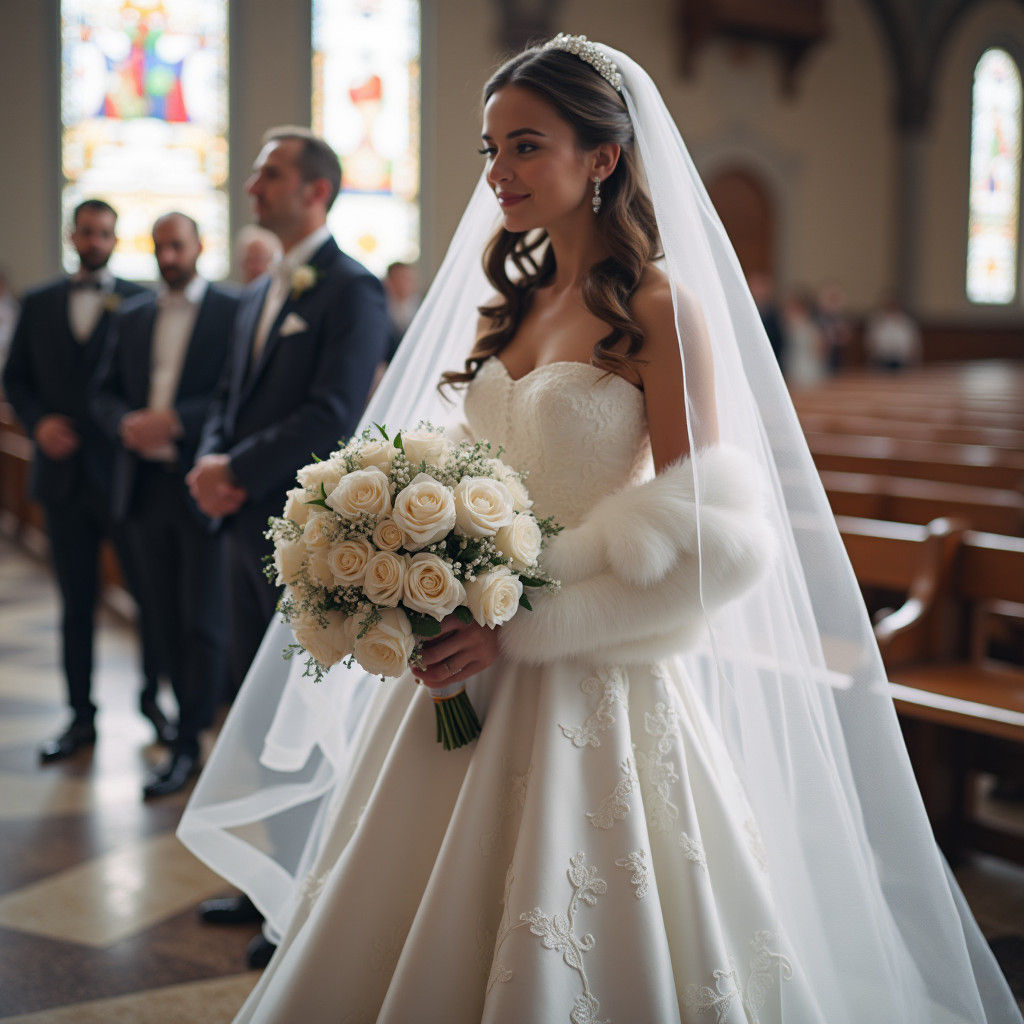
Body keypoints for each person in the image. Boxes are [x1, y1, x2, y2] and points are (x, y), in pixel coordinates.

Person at [179, 38, 1023, 1023]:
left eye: (526, 146)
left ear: (603, 157)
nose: (497, 173)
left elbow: (712, 541)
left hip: (592, 674)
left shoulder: (662, 308)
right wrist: (416, 575)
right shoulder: (510, 304)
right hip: (464, 664)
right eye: (491, 148)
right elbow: (467, 477)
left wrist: (519, 626)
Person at [186, 126, 388, 960]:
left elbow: (331, 416)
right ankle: (267, 873)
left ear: (315, 190)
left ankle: (304, 897)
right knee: (249, 699)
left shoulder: (353, 291)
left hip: (304, 536)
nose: (251, 187)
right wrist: (213, 460)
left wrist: (235, 463)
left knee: (300, 714)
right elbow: (233, 399)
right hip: (242, 521)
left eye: (268, 174)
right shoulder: (262, 287)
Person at [1, 199, 168, 760]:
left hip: (125, 478)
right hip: (62, 479)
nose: (96, 240)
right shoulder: (41, 302)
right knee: (75, 604)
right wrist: (39, 422)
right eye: (88, 231)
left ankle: (153, 705)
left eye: (105, 233)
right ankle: (79, 719)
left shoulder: (141, 302)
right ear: (73, 235)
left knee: (148, 595)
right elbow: (15, 376)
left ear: (115, 239)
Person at [92, 212, 238, 798]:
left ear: (199, 246)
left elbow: (233, 394)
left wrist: (175, 421)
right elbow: (101, 392)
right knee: (157, 613)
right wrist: (125, 423)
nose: (168, 256)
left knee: (202, 618)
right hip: (142, 488)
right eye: (159, 247)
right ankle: (175, 720)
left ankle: (192, 739)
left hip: (196, 483)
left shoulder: (231, 311)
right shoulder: (132, 315)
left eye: (177, 245)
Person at [865, 295, 923, 370]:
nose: (892, 307)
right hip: (882, 359)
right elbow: (871, 341)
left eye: (894, 305)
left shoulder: (907, 322)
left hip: (902, 360)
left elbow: (914, 341)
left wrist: (914, 359)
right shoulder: (878, 322)